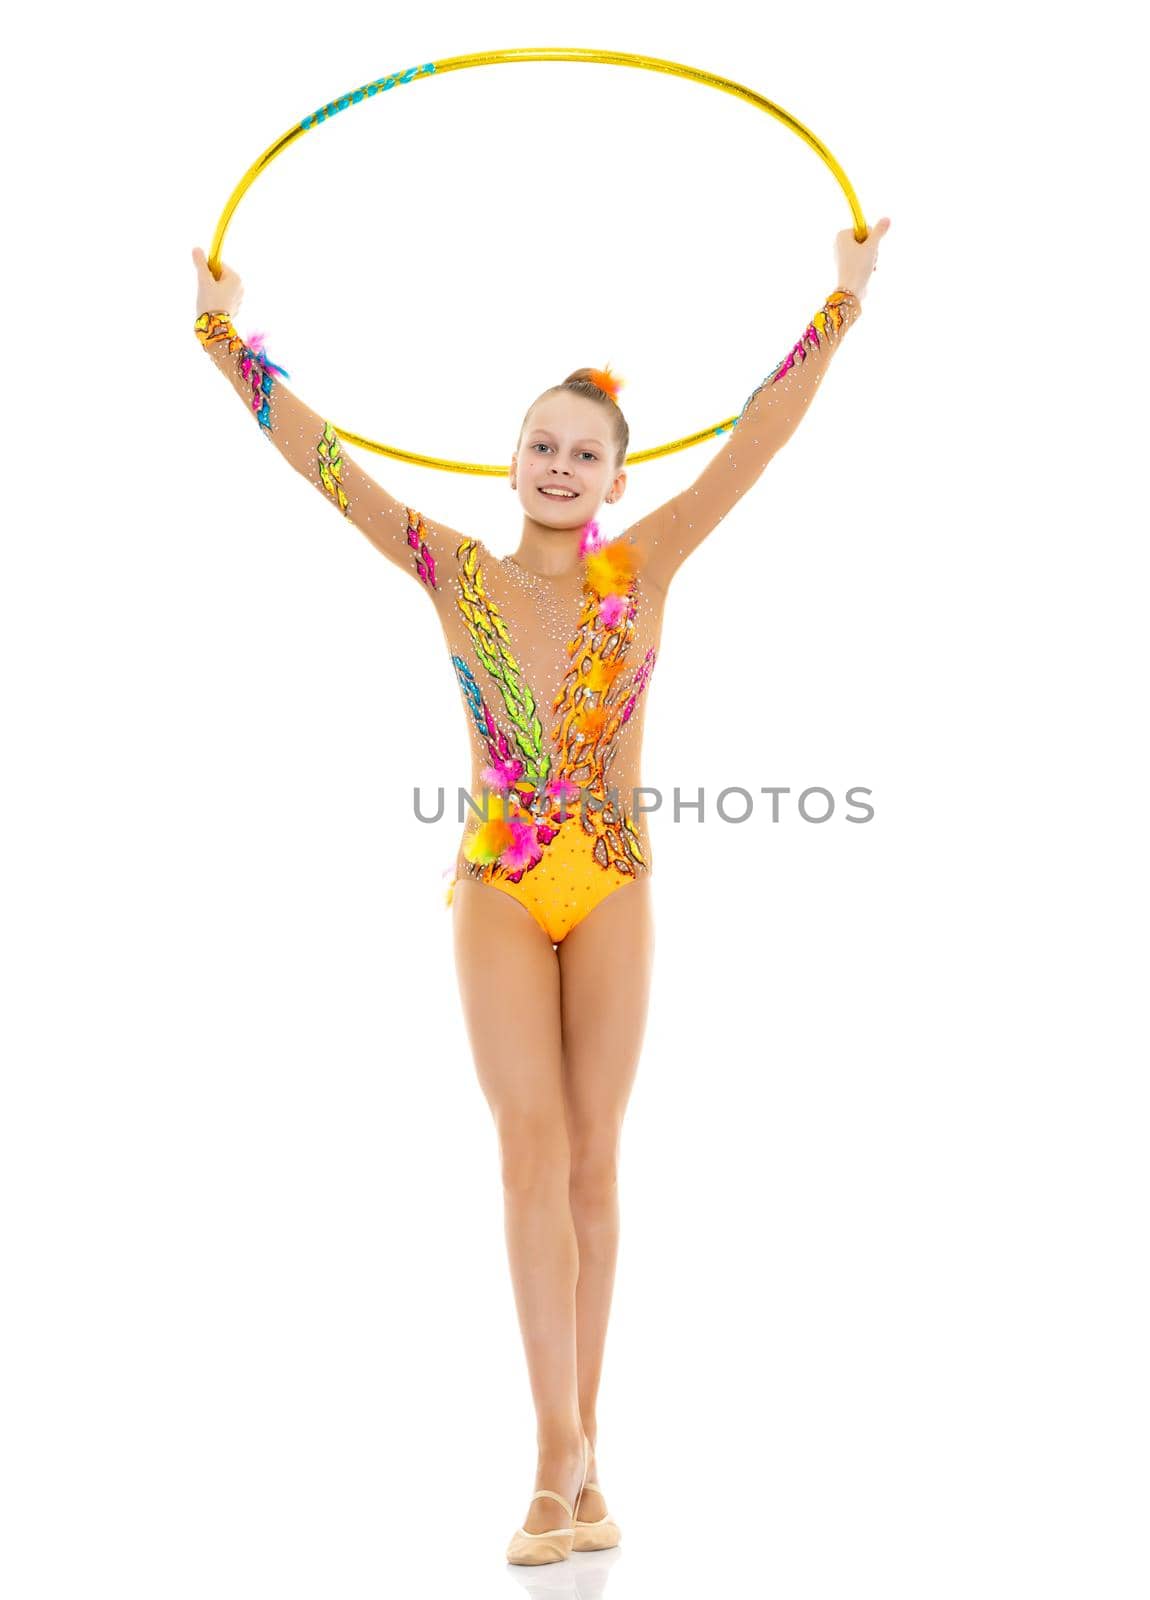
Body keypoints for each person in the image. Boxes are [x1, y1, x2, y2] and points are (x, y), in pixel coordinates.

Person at [190, 215, 890, 1565]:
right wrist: (226, 336)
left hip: (612, 882)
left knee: (593, 1157)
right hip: (502, 889)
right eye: (544, 445)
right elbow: (326, 467)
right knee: (527, 1150)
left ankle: (587, 1449)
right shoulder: (452, 566)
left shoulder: (650, 564)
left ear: (619, 475)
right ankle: (554, 1458)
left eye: (587, 451)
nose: (562, 464)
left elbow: (762, 435)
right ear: (510, 463)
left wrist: (841, 303)